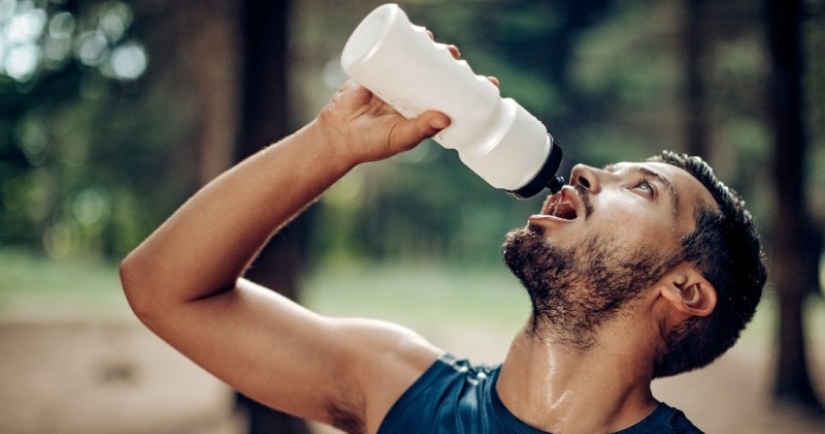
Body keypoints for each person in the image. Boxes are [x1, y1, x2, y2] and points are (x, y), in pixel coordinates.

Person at [120, 46, 767, 433]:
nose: (586, 172)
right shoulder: (399, 386)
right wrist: (333, 142)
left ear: (684, 288)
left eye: (643, 188)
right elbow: (162, 289)